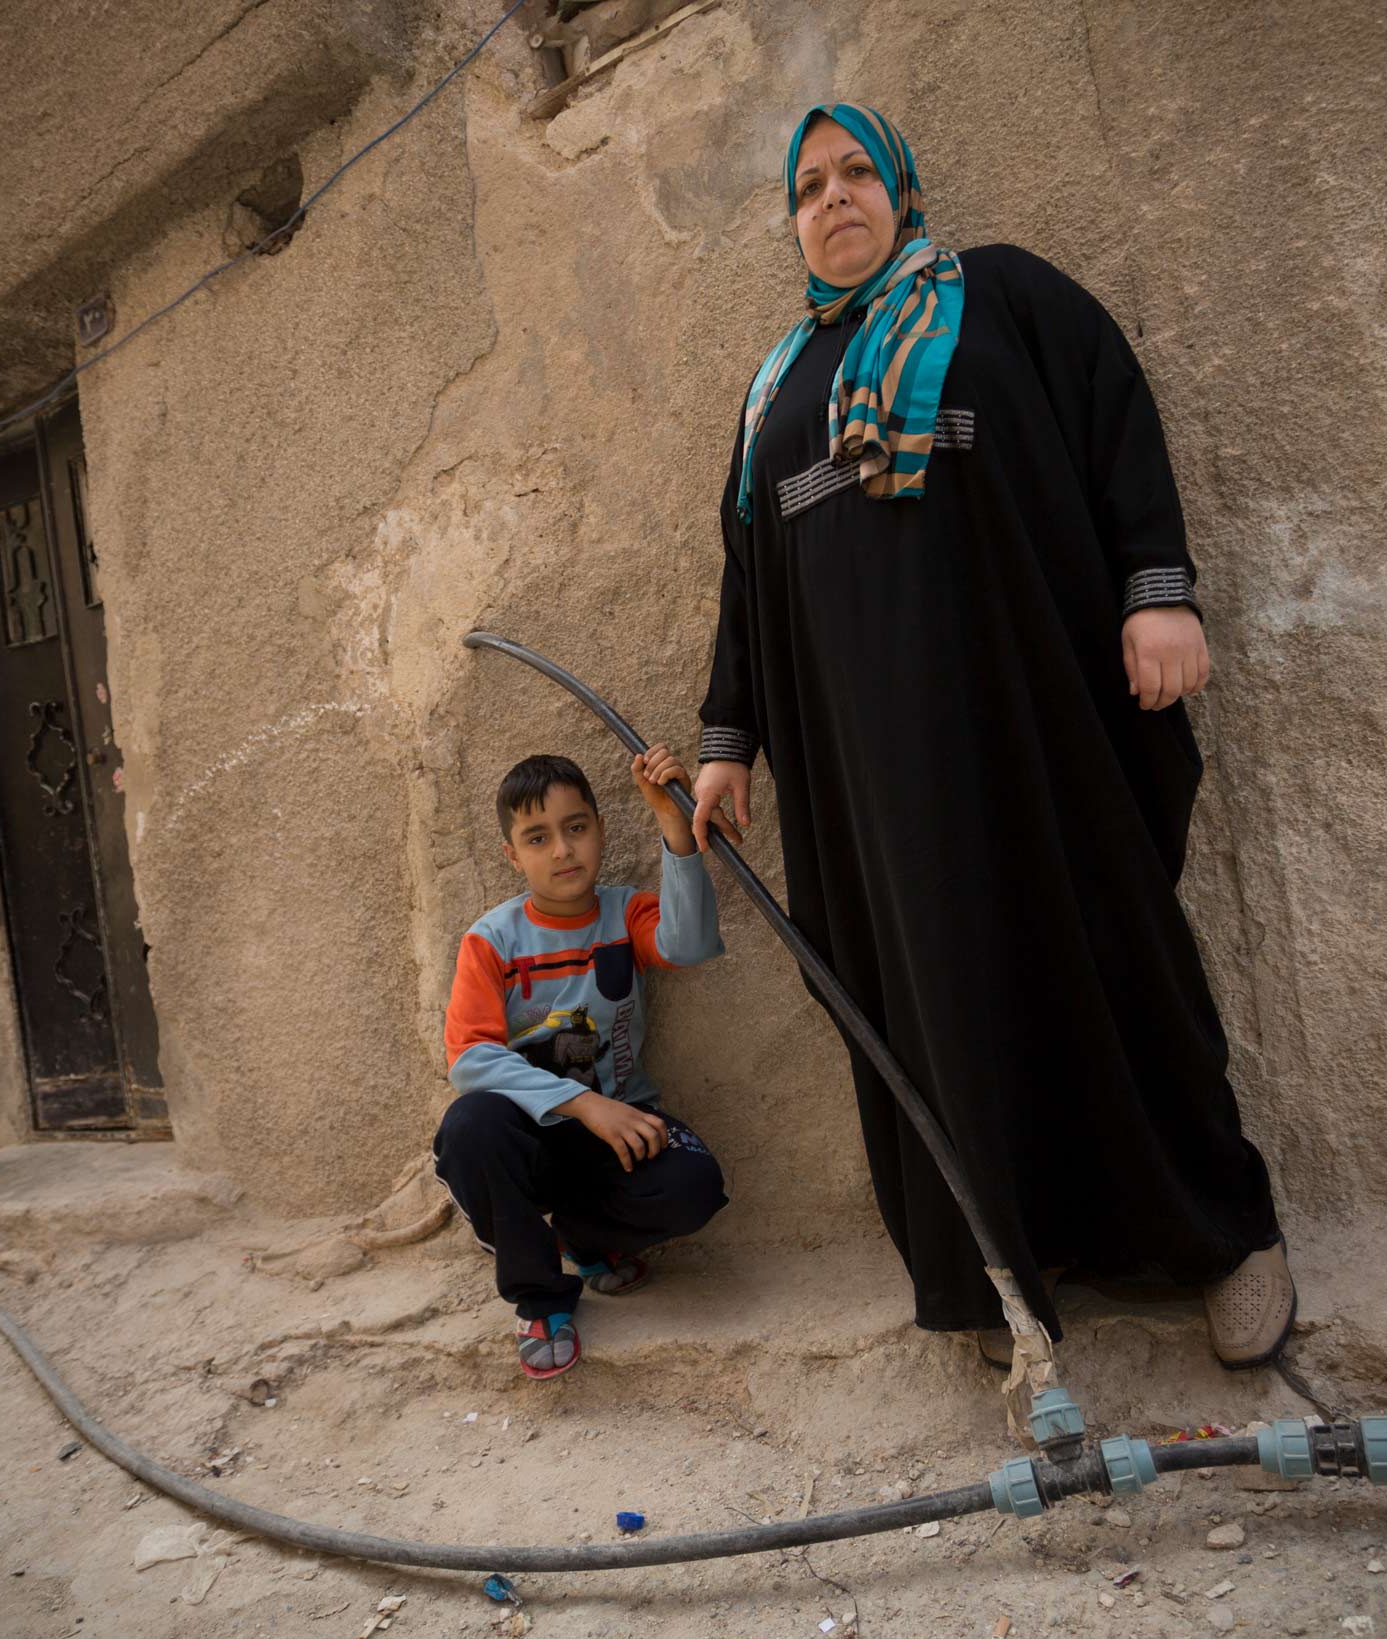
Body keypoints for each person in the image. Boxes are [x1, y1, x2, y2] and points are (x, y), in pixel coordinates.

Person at [688, 103, 1295, 1370]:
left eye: (858, 172)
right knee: (930, 1005)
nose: (834, 197)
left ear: (904, 192)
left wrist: (1158, 589)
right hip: (871, 784)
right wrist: (726, 739)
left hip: (1031, 730)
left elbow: (1114, 418)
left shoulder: (1003, 298)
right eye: (809, 186)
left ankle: (1222, 1239)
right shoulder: (775, 390)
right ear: (791, 222)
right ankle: (1005, 1269)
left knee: (1106, 952)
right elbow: (751, 578)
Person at [435, 749, 731, 1378]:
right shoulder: (491, 940)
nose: (562, 850)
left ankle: (583, 1238)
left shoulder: (625, 914)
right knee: (469, 1128)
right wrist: (584, 1104)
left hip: (617, 1136)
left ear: (599, 829)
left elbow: (691, 944)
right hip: (533, 1135)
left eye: (576, 828)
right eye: (537, 838)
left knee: (695, 1186)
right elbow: (470, 1056)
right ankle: (541, 1300)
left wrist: (675, 828)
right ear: (513, 856)